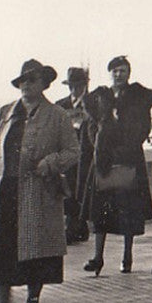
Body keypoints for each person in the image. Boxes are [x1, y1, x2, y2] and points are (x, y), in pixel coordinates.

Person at [0, 59, 79, 303]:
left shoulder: (57, 115)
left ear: (44, 84)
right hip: (6, 191)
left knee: (37, 252)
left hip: (38, 192)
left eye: (32, 80)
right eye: (22, 80)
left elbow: (73, 151)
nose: (26, 85)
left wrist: (50, 163)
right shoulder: (5, 113)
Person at [82, 55, 152, 274]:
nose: (118, 75)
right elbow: (92, 127)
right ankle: (98, 257)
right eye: (115, 71)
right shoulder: (101, 98)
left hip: (128, 158)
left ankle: (127, 256)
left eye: (123, 71)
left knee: (128, 211)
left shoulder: (136, 98)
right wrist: (98, 145)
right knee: (101, 211)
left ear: (129, 74)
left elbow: (143, 127)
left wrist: (127, 148)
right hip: (105, 160)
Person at [54, 67, 94, 244]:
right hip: (68, 154)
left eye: (78, 85)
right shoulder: (61, 105)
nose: (74, 89)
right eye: (71, 86)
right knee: (68, 190)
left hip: (86, 154)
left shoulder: (92, 104)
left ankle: (80, 227)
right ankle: (72, 227)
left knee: (83, 190)